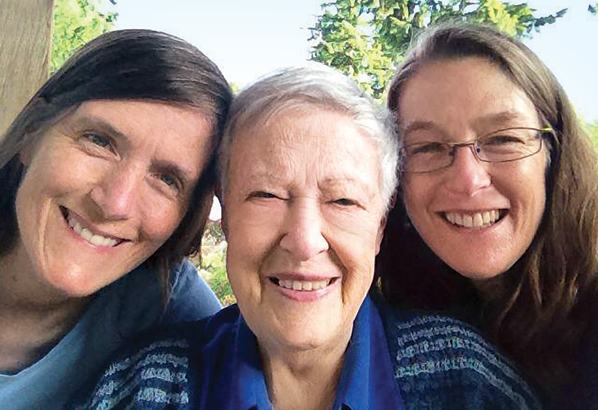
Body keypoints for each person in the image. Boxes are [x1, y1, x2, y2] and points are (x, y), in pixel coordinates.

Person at [72, 64, 540, 410]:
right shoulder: (141, 387)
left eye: (343, 202)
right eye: (266, 194)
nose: (304, 240)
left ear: (379, 227)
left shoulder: (464, 378)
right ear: (226, 214)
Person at [0, 29, 232, 409]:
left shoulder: (173, 310)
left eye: (167, 179)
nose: (115, 203)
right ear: (32, 132)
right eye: (99, 141)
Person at [378, 22, 598, 407]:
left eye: (503, 139)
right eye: (428, 147)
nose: (468, 180)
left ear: (555, 155)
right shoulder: (398, 324)